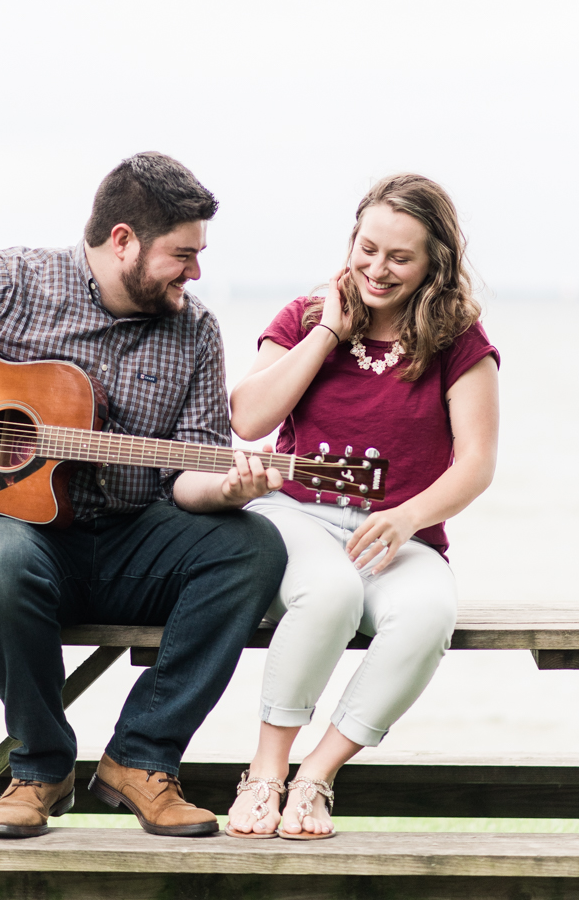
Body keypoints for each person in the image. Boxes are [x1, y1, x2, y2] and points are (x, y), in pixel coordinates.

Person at [0, 152, 287, 839]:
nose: (196, 272)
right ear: (123, 240)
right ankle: (40, 766)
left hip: (130, 539)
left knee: (253, 545)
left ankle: (142, 757)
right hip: (13, 538)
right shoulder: (14, 281)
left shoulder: (195, 330)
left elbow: (189, 476)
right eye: (182, 254)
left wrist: (232, 484)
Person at [225, 173, 499, 840]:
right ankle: (265, 771)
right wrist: (326, 331)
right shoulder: (301, 314)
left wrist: (408, 515)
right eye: (367, 248)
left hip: (399, 536)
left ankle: (316, 775)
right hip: (297, 518)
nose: (377, 268)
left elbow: (477, 462)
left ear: (435, 261)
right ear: (352, 239)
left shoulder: (458, 340)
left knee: (429, 612)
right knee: (330, 593)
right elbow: (250, 416)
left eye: (400, 257)